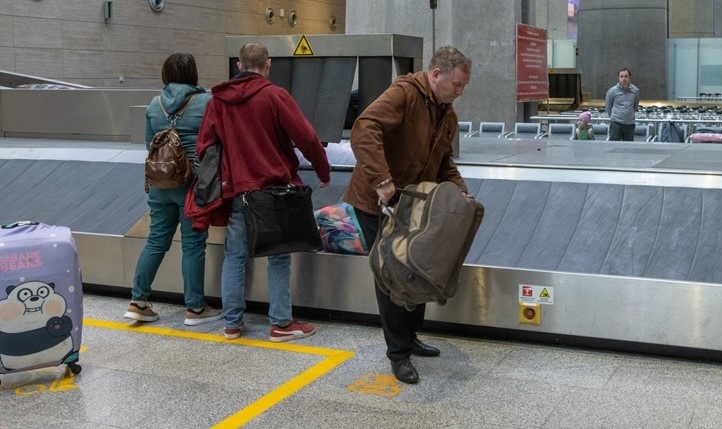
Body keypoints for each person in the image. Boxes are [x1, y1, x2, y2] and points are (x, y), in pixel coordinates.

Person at [344, 45, 473, 384]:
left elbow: (443, 161)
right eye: (456, 85)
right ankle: (398, 354)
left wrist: (459, 188)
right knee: (392, 275)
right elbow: (365, 126)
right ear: (436, 75)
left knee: (419, 266)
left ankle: (411, 337)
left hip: (412, 204)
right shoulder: (404, 93)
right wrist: (382, 179)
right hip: (377, 201)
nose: (459, 92)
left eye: (463, 87)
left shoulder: (447, 114)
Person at [196, 42, 332, 342]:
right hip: (275, 193)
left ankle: (232, 323)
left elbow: (204, 147)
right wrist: (323, 171)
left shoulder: (218, 102)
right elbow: (308, 138)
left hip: (238, 193)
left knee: (234, 256)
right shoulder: (276, 96)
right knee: (279, 256)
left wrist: (230, 170)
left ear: (240, 66)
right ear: (268, 64)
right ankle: (281, 324)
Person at [125, 53, 222, 326]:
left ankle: (137, 301)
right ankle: (195, 308)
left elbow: (149, 144)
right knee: (192, 246)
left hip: (159, 183)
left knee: (156, 240)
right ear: (193, 74)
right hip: (192, 184)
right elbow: (217, 141)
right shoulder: (206, 101)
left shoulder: (154, 105)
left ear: (165, 75)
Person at [605, 67, 640, 141]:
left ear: (630, 78)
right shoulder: (612, 91)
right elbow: (608, 106)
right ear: (618, 78)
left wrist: (628, 115)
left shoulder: (635, 91)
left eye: (626, 76)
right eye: (621, 76)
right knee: (613, 147)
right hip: (616, 123)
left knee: (628, 148)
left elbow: (635, 106)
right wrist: (614, 117)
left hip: (630, 124)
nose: (624, 79)